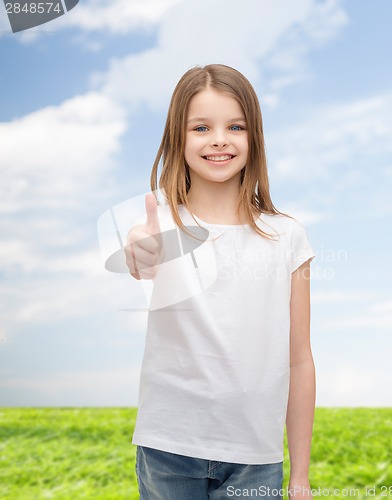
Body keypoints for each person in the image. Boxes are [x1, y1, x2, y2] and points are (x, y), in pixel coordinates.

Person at [124, 64, 316, 500]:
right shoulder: (159, 227)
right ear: (179, 137)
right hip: (168, 448)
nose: (219, 139)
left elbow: (299, 359)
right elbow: (142, 255)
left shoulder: (289, 237)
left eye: (235, 126)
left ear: (254, 138)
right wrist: (141, 249)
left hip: (255, 456)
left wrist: (300, 475)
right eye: (201, 127)